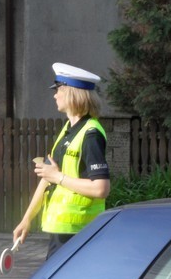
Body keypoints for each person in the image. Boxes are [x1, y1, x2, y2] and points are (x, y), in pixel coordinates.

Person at [13, 62, 111, 259]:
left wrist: (58, 177)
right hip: (63, 231)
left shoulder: (90, 134)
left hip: (79, 232)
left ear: (71, 93)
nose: (54, 95)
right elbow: (47, 178)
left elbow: (101, 189)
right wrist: (26, 219)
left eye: (58, 89)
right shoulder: (68, 131)